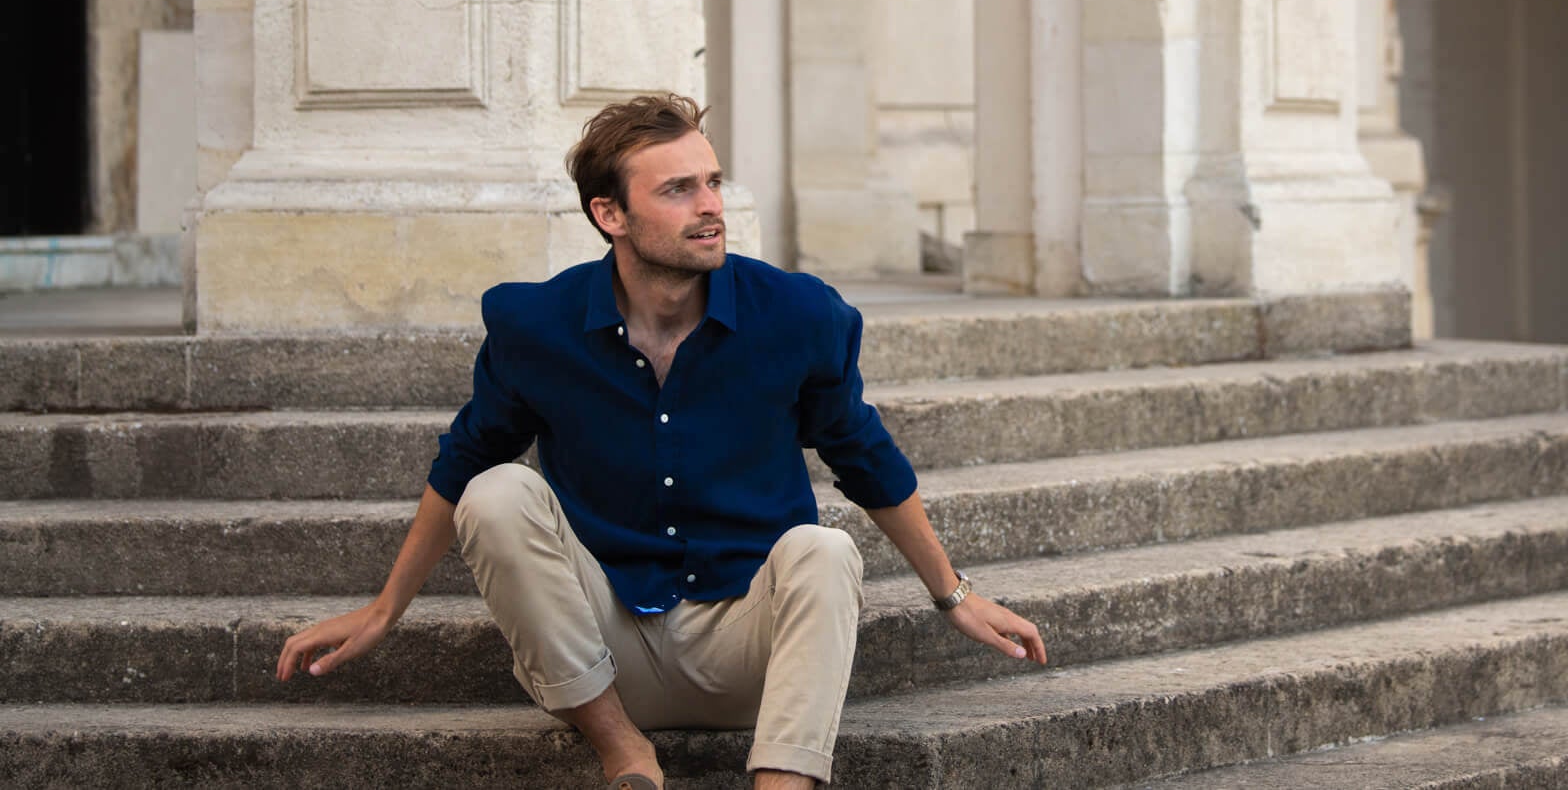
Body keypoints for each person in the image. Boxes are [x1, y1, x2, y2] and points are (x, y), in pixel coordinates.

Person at [276, 94, 1047, 790]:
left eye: (711, 182)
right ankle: (624, 753)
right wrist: (384, 609)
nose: (711, 206)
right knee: (496, 491)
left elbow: (863, 455)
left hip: (750, 648)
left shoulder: (798, 315)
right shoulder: (537, 327)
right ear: (610, 214)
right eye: (679, 189)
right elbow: (463, 461)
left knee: (825, 549)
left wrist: (954, 594)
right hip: (604, 654)